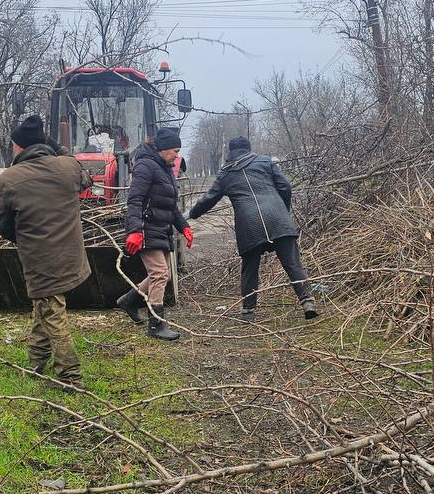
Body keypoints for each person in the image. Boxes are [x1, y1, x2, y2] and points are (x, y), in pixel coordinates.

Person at [0, 115, 92, 385]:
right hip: (73, 257)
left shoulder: (9, 179)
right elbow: (85, 178)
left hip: (41, 260)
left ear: (18, 147)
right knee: (45, 306)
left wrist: (26, 238)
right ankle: (37, 362)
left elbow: (2, 225)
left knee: (52, 312)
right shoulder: (68, 167)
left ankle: (71, 377)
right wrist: (55, 146)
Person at [187, 136, 318, 322]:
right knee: (293, 263)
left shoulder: (225, 174)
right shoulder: (265, 162)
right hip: (278, 218)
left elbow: (208, 200)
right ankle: (307, 302)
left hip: (249, 225)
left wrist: (190, 215)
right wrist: (283, 210)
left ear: (230, 152)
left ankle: (248, 312)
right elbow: (285, 186)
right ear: (249, 148)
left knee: (250, 268)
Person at [118, 126, 193, 341]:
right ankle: (156, 325)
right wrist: (134, 231)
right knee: (160, 274)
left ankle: (130, 301)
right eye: (175, 151)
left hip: (160, 229)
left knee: (162, 274)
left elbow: (171, 205)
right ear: (162, 148)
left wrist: (184, 227)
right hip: (145, 229)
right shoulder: (145, 166)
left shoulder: (165, 168)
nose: (178, 155)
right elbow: (135, 200)